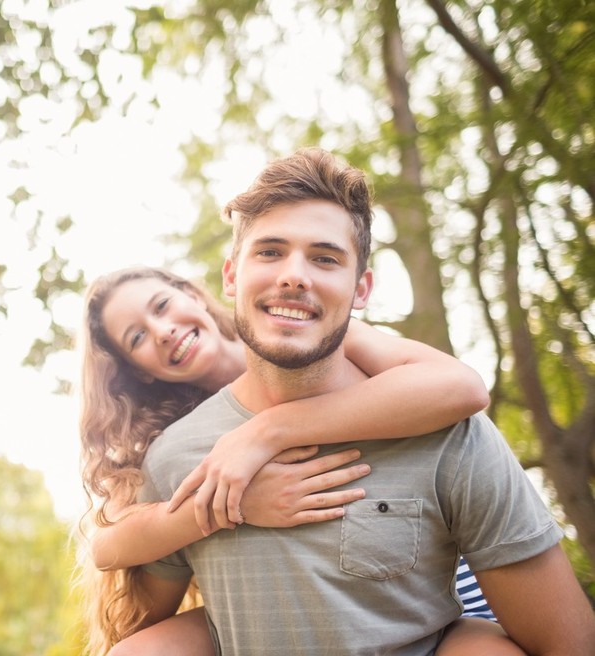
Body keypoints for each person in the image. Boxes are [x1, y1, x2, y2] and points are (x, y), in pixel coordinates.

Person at [123, 147, 595, 654]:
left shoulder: (447, 431)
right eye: (269, 251)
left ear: (361, 289)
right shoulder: (177, 456)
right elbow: (139, 623)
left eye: (325, 258)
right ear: (232, 276)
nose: (294, 275)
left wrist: (271, 430)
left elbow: (566, 643)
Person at [78, 267, 513, 656]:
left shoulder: (303, 337)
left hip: (436, 588)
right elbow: (107, 545)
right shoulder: (174, 441)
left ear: (192, 295)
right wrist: (239, 504)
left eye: (163, 306)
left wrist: (268, 430)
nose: (163, 330)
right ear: (140, 371)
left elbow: (461, 388)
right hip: (302, 605)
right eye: (137, 337)